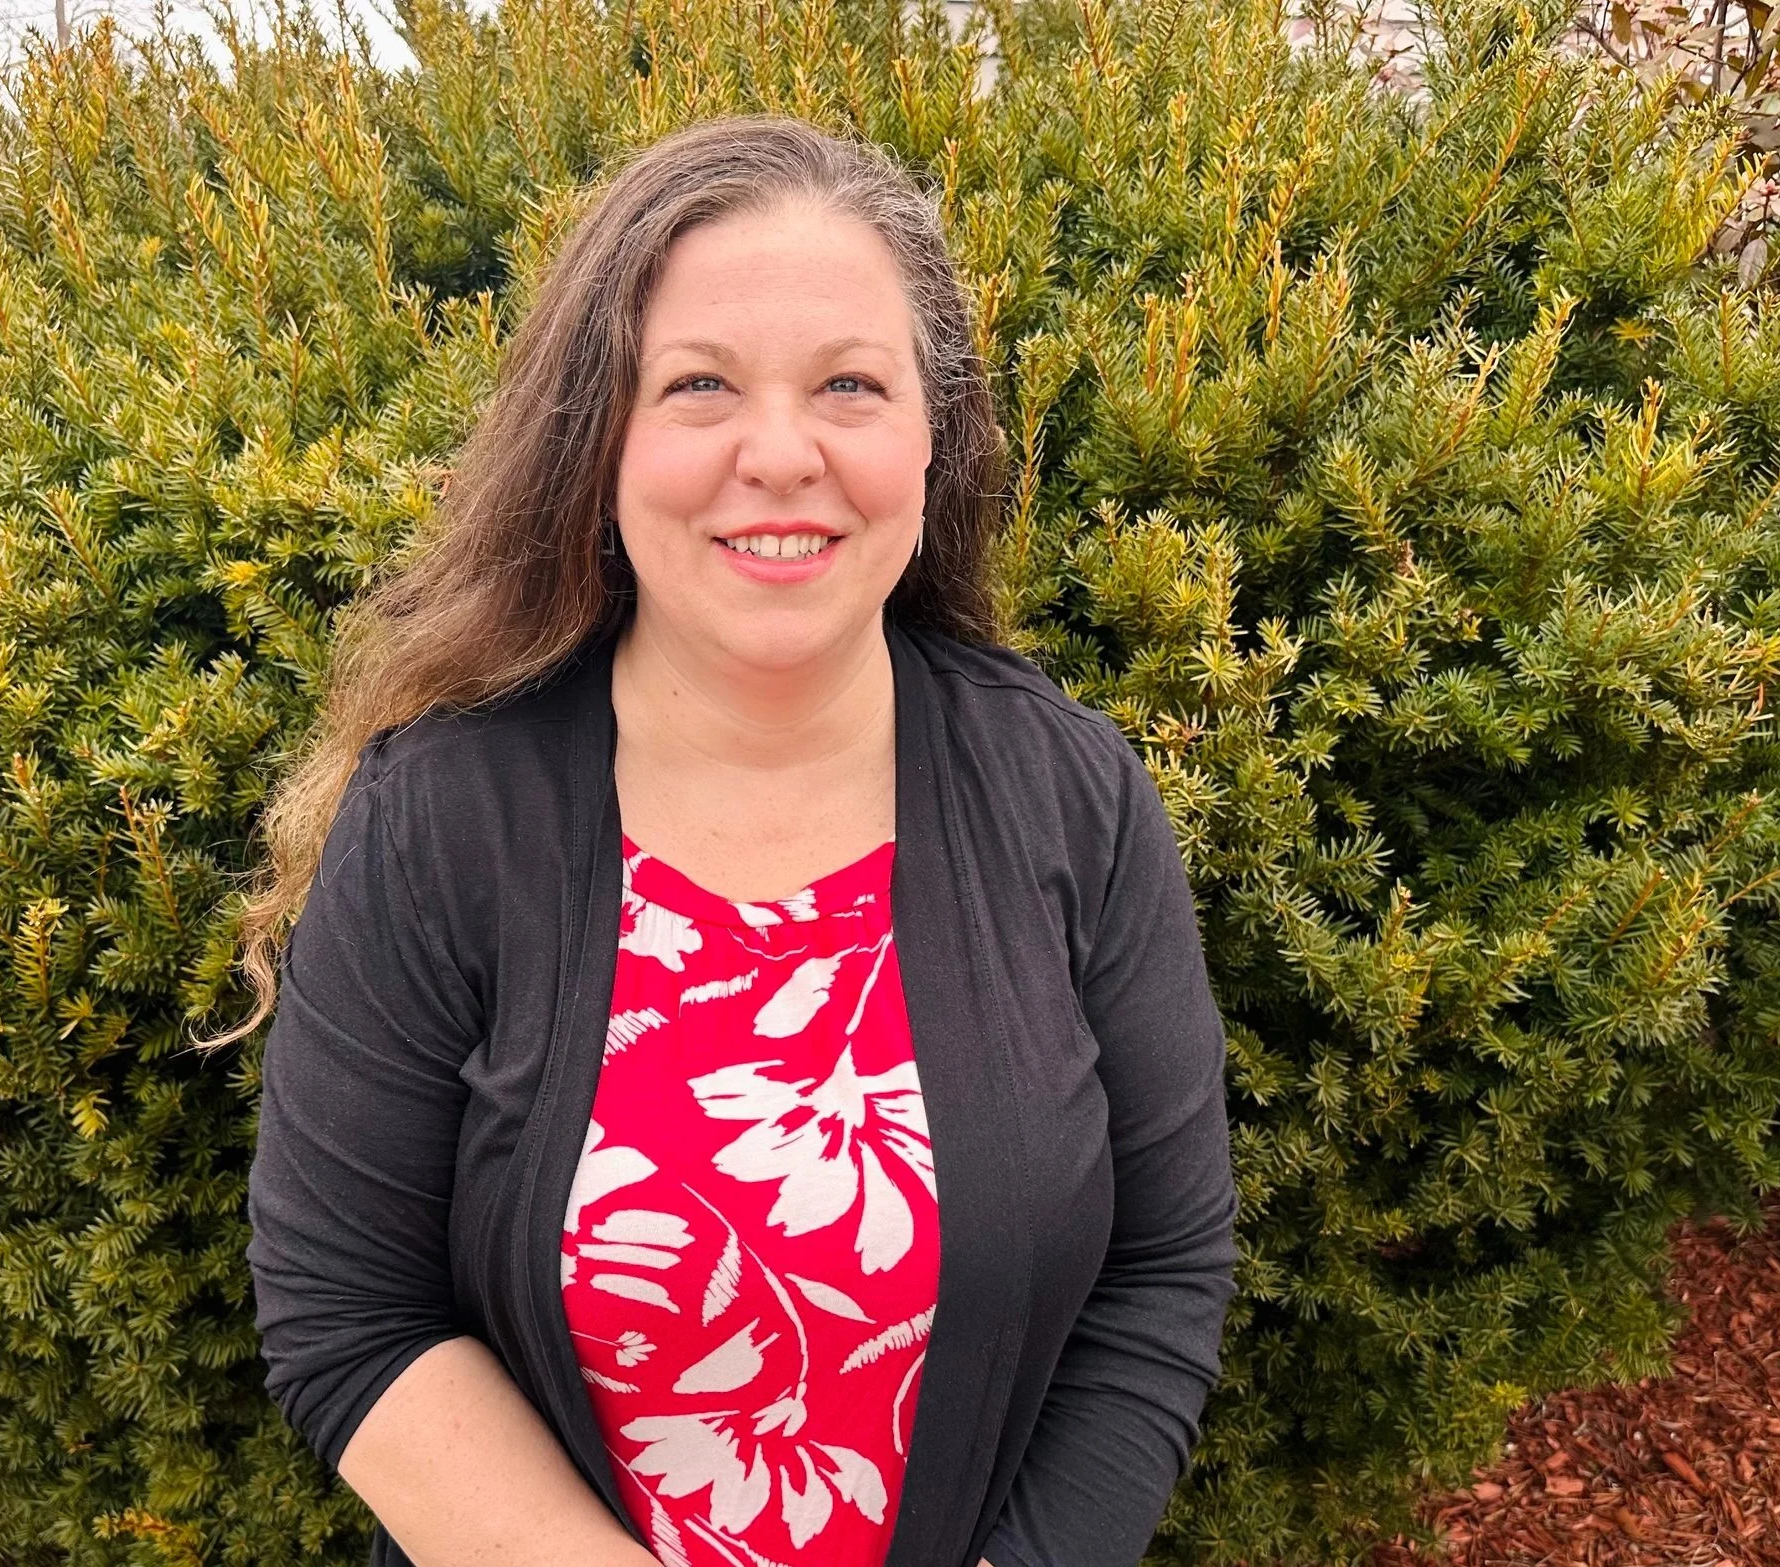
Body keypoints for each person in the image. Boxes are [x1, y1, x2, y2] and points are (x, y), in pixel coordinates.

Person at [235, 114, 1238, 1567]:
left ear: (931, 434)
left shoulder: (1071, 798)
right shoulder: (442, 818)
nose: (783, 453)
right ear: (602, 437)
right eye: (699, 384)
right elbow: (347, 1311)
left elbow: (1162, 1269)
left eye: (850, 384)